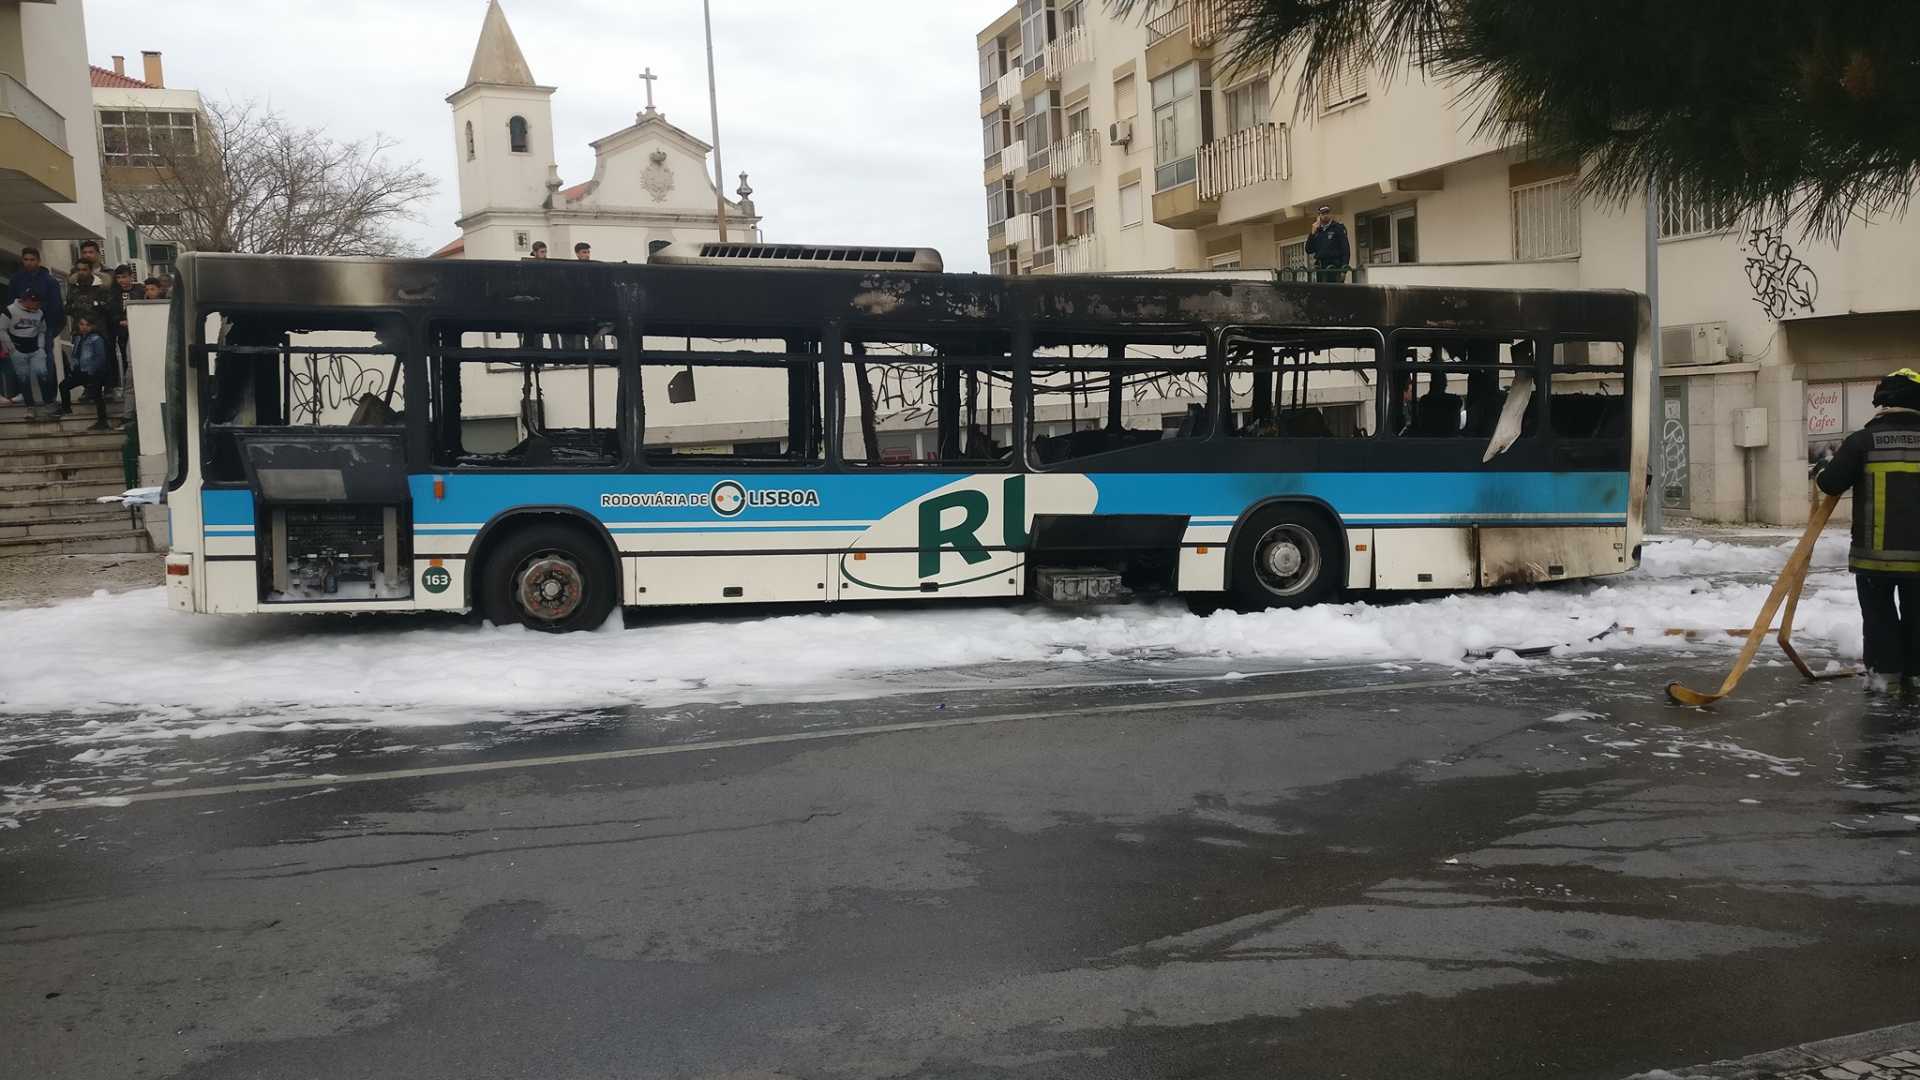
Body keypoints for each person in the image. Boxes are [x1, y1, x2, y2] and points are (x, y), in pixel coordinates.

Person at [1815, 367, 1920, 692]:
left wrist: (1822, 467)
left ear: (1882, 402)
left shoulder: (1862, 441)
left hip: (1875, 559)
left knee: (1879, 619)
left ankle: (1885, 678)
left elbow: (1831, 483)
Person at [53, 313, 112, 428]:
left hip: (93, 372)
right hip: (81, 370)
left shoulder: (96, 338)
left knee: (97, 395)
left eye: (87, 325)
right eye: (82, 324)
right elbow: (76, 354)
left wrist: (92, 371)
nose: (84, 327)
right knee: (64, 385)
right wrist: (74, 365)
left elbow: (100, 357)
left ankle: (102, 420)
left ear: (93, 326)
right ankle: (66, 409)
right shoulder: (78, 338)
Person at [4, 290, 51, 412]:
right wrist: (11, 348)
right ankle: (30, 406)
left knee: (43, 373)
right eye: (35, 302)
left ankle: (48, 403)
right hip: (17, 348)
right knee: (23, 378)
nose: (37, 305)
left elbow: (42, 331)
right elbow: (1, 329)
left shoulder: (40, 313)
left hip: (35, 348)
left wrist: (41, 347)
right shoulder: (10, 310)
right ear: (27, 300)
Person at [1303, 205, 1351, 283]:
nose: (1325, 216)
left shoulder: (1338, 228)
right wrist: (1312, 234)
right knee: (1322, 293)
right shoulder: (1317, 230)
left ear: (1330, 214)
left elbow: (1345, 250)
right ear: (1319, 216)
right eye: (1322, 214)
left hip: (1334, 267)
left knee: (1334, 293)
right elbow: (1308, 250)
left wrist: (1343, 270)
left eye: (1327, 213)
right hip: (1321, 267)